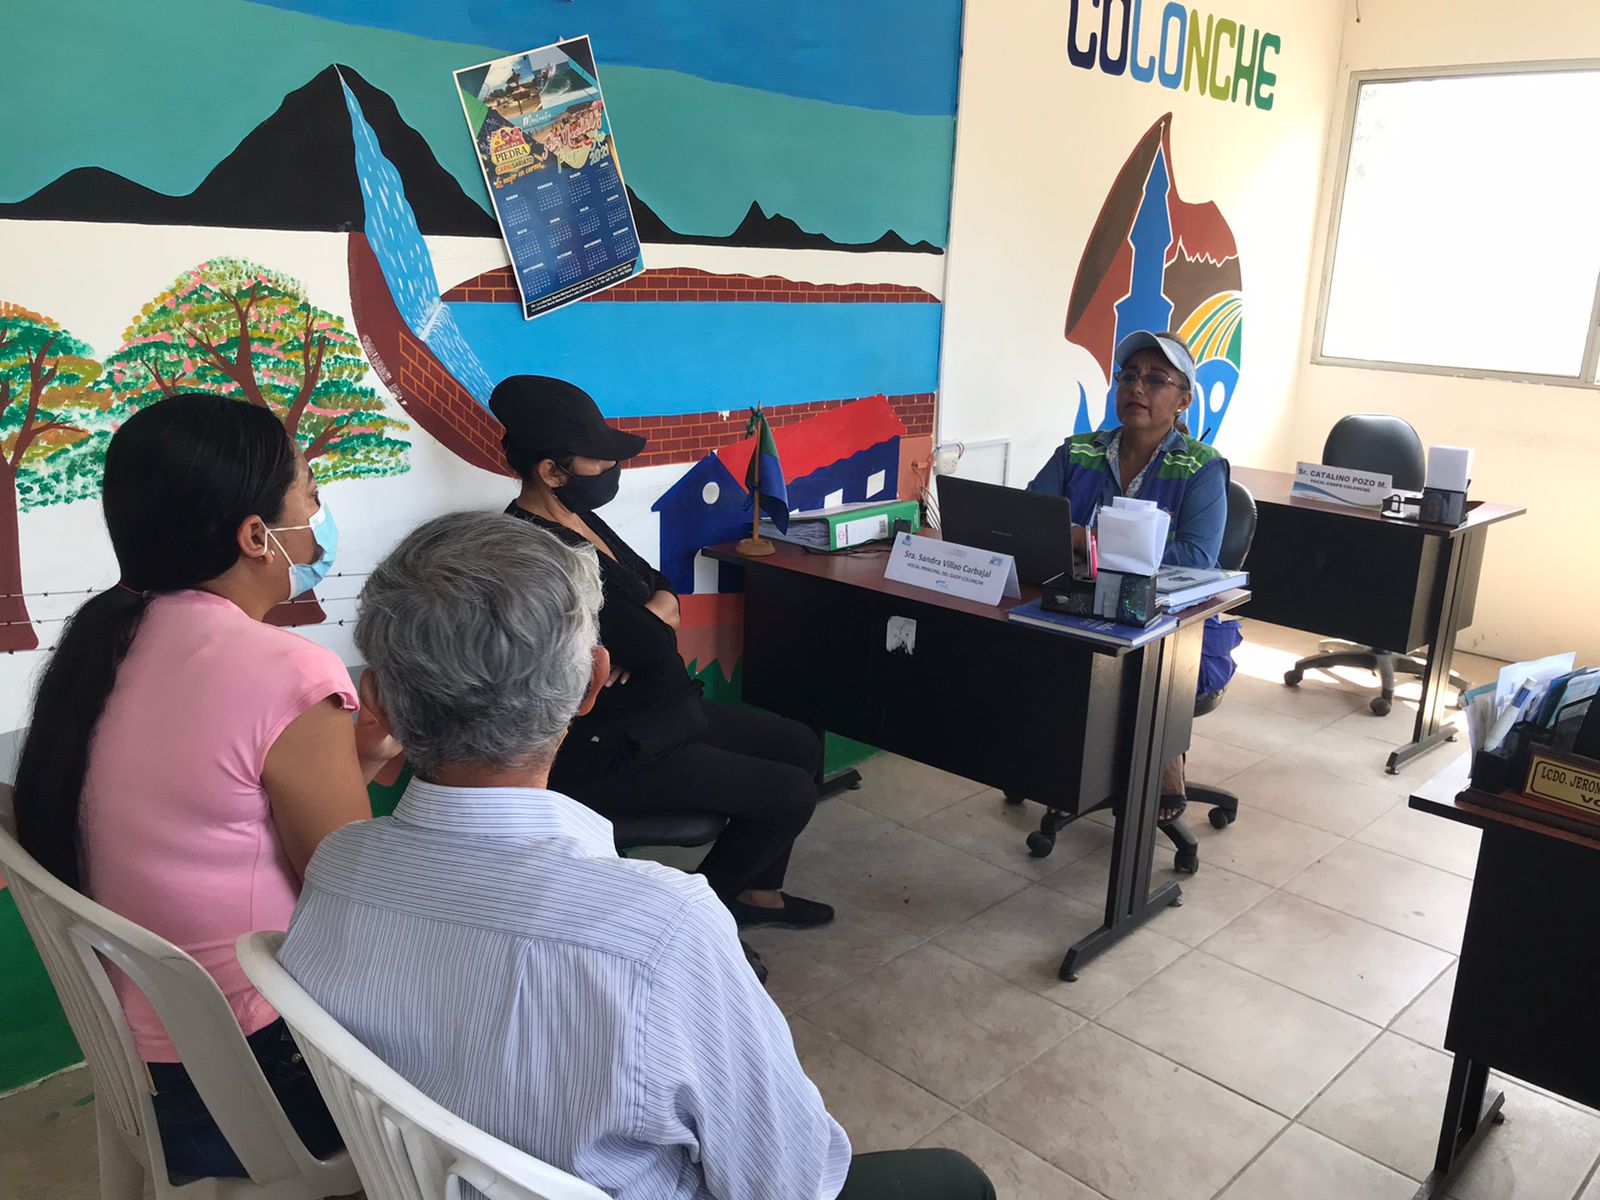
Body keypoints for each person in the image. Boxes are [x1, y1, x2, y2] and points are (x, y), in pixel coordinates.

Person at [279, 511, 996, 1200]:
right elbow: (787, 1183)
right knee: (955, 1178)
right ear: (592, 682)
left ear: (376, 700)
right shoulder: (662, 932)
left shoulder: (336, 869)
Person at [11, 393, 399, 1179]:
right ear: (256, 536)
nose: (319, 516)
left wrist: (352, 760)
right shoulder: (290, 671)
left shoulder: (112, 640)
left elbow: (229, 827)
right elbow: (350, 903)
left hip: (148, 1069)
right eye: (311, 494)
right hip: (259, 1087)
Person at [488, 375, 832, 938]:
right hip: (616, 744)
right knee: (789, 795)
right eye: (599, 460)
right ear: (551, 471)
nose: (612, 469)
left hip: (665, 711)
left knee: (799, 745)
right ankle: (691, 925)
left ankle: (756, 892)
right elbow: (650, 643)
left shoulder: (576, 515)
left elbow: (660, 584)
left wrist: (649, 620)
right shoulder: (535, 549)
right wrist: (650, 628)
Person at [1028, 331, 1242, 824]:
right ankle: (1072, 766)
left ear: (1183, 400)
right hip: (1083, 602)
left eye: (1156, 379)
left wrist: (1087, 538)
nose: (1137, 388)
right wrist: (1118, 543)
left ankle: (1162, 757)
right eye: (1128, 376)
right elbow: (1034, 519)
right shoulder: (1077, 451)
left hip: (1172, 622)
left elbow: (1197, 558)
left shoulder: (1202, 467)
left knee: (1140, 671)